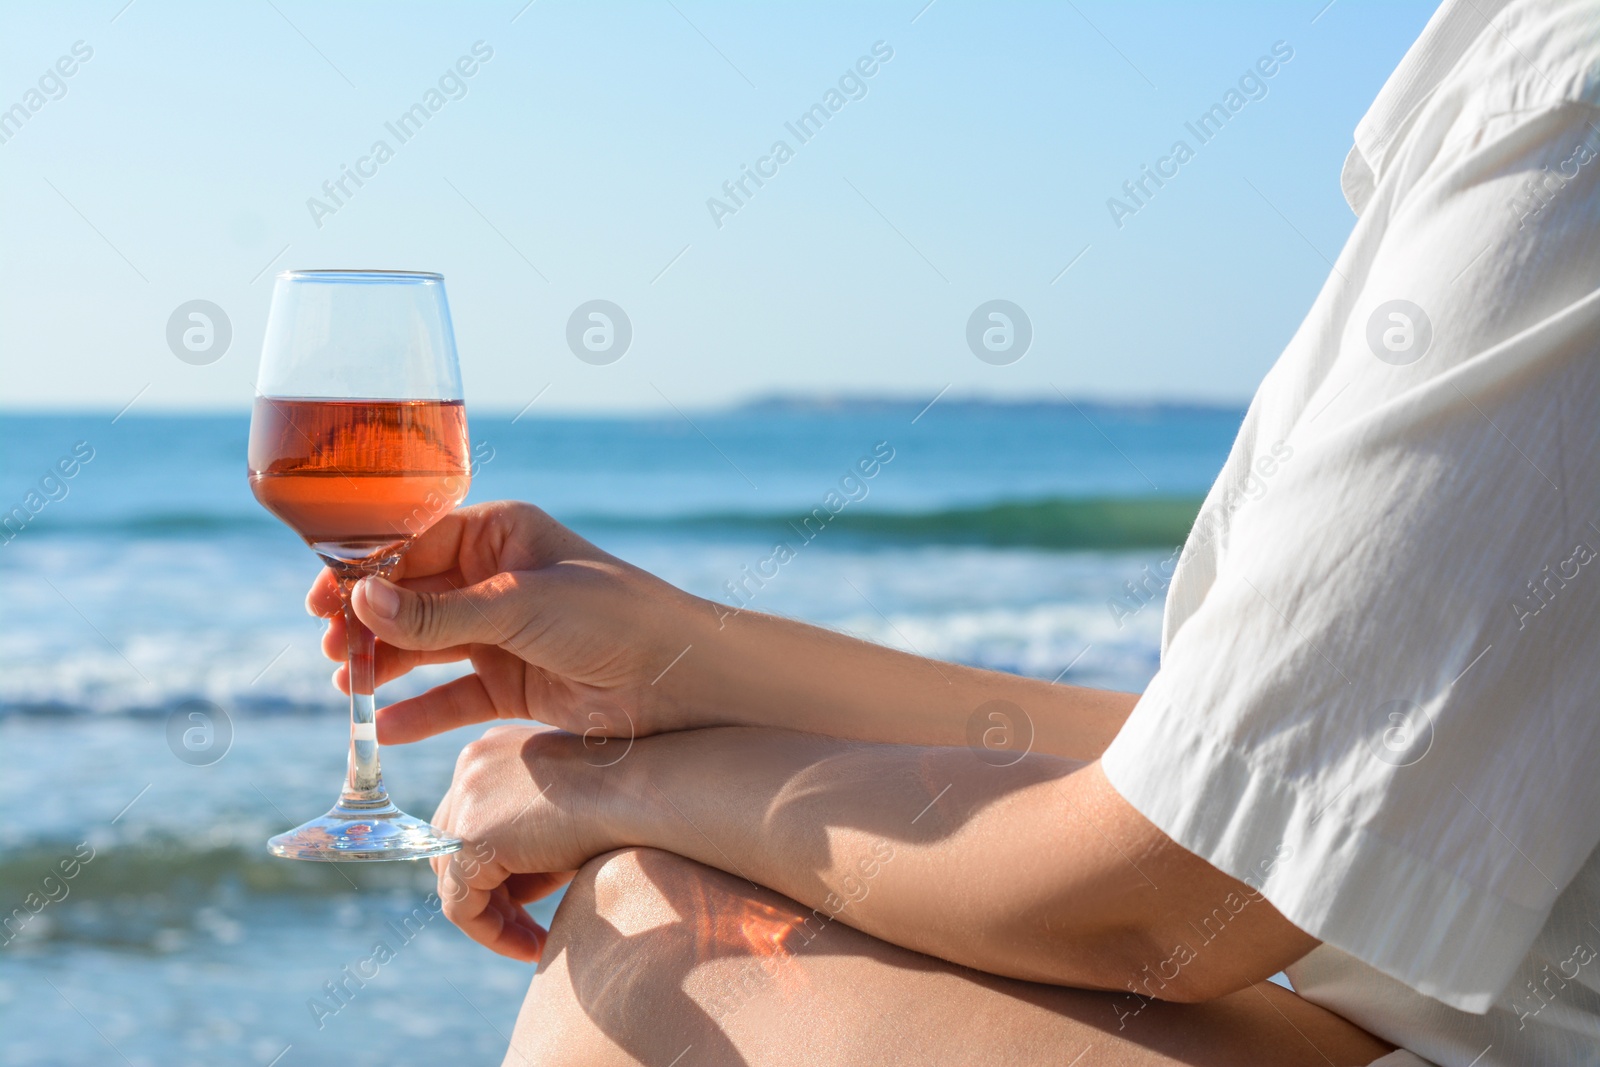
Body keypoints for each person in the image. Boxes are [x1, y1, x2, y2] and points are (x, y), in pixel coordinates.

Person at [308, 1, 1599, 1063]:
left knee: (670, 922)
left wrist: (615, 788)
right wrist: (689, 661)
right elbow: (1227, 782)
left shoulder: (1568, 103)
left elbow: (1167, 902)